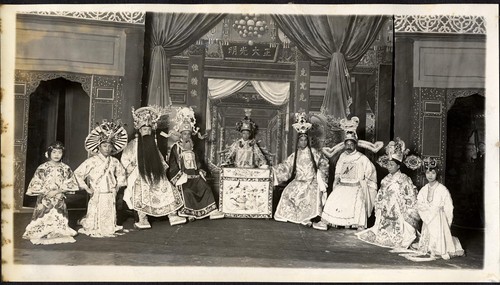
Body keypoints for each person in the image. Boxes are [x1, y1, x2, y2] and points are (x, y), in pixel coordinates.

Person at [121, 106, 185, 228]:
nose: (146, 131)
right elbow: (124, 161)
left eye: (149, 129)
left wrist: (162, 170)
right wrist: (132, 165)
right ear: (139, 130)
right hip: (137, 173)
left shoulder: (154, 144)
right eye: (144, 129)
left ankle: (172, 215)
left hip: (155, 172)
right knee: (139, 187)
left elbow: (160, 160)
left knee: (166, 185)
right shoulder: (133, 145)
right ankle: (143, 218)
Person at [313, 116, 378, 231]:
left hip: (356, 187)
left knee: (358, 201)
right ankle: (325, 222)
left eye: (351, 144)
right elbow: (338, 172)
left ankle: (359, 224)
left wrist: (365, 184)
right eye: (347, 144)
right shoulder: (342, 157)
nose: (349, 146)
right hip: (342, 185)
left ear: (355, 144)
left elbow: (371, 172)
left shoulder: (361, 158)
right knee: (333, 198)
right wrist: (337, 182)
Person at [356, 138, 421, 249]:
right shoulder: (385, 180)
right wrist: (381, 204)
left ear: (398, 166)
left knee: (401, 230)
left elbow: (410, 197)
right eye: (388, 164)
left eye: (392, 165)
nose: (389, 167)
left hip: (399, 210)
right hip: (387, 208)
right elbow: (380, 194)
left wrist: (406, 208)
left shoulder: (404, 179)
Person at [167, 107, 224, 220]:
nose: (187, 136)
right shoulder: (176, 147)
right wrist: (180, 176)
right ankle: (189, 213)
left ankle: (211, 211)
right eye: (184, 134)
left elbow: (197, 163)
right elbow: (172, 164)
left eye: (189, 134)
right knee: (187, 191)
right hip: (184, 178)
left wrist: (201, 170)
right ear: (180, 135)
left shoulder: (193, 148)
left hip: (195, 177)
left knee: (206, 188)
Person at [402, 158, 465, 261]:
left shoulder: (442, 189)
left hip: (439, 221)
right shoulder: (423, 189)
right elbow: (419, 204)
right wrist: (428, 211)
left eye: (433, 173)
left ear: (437, 174)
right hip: (428, 220)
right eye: (427, 172)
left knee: (439, 246)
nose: (430, 175)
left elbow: (449, 207)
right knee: (427, 244)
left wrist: (447, 222)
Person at [273, 113, 329, 226]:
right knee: (287, 192)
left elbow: (324, 163)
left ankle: (308, 218)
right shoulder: (295, 154)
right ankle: (295, 217)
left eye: (305, 140)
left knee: (309, 194)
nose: (303, 142)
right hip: (298, 181)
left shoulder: (314, 153)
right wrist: (274, 170)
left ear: (308, 141)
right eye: (301, 140)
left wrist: (321, 176)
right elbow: (286, 166)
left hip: (311, 182)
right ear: (298, 141)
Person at [74, 120, 128, 238]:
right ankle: (87, 222)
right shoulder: (92, 161)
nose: (107, 148)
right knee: (93, 217)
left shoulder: (114, 161)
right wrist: (87, 188)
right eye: (104, 145)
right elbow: (77, 174)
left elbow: (121, 174)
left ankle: (108, 226)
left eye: (110, 146)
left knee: (109, 214)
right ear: (99, 146)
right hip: (97, 191)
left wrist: (118, 185)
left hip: (110, 192)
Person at [22, 141, 80, 245]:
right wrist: (46, 192)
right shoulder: (42, 168)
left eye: (59, 152)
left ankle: (57, 231)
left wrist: (59, 191)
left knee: (58, 214)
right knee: (43, 213)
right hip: (45, 197)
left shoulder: (66, 168)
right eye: (54, 152)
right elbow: (36, 182)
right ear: (49, 153)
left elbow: (70, 182)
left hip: (59, 196)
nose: (57, 155)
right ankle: (42, 230)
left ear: (63, 154)